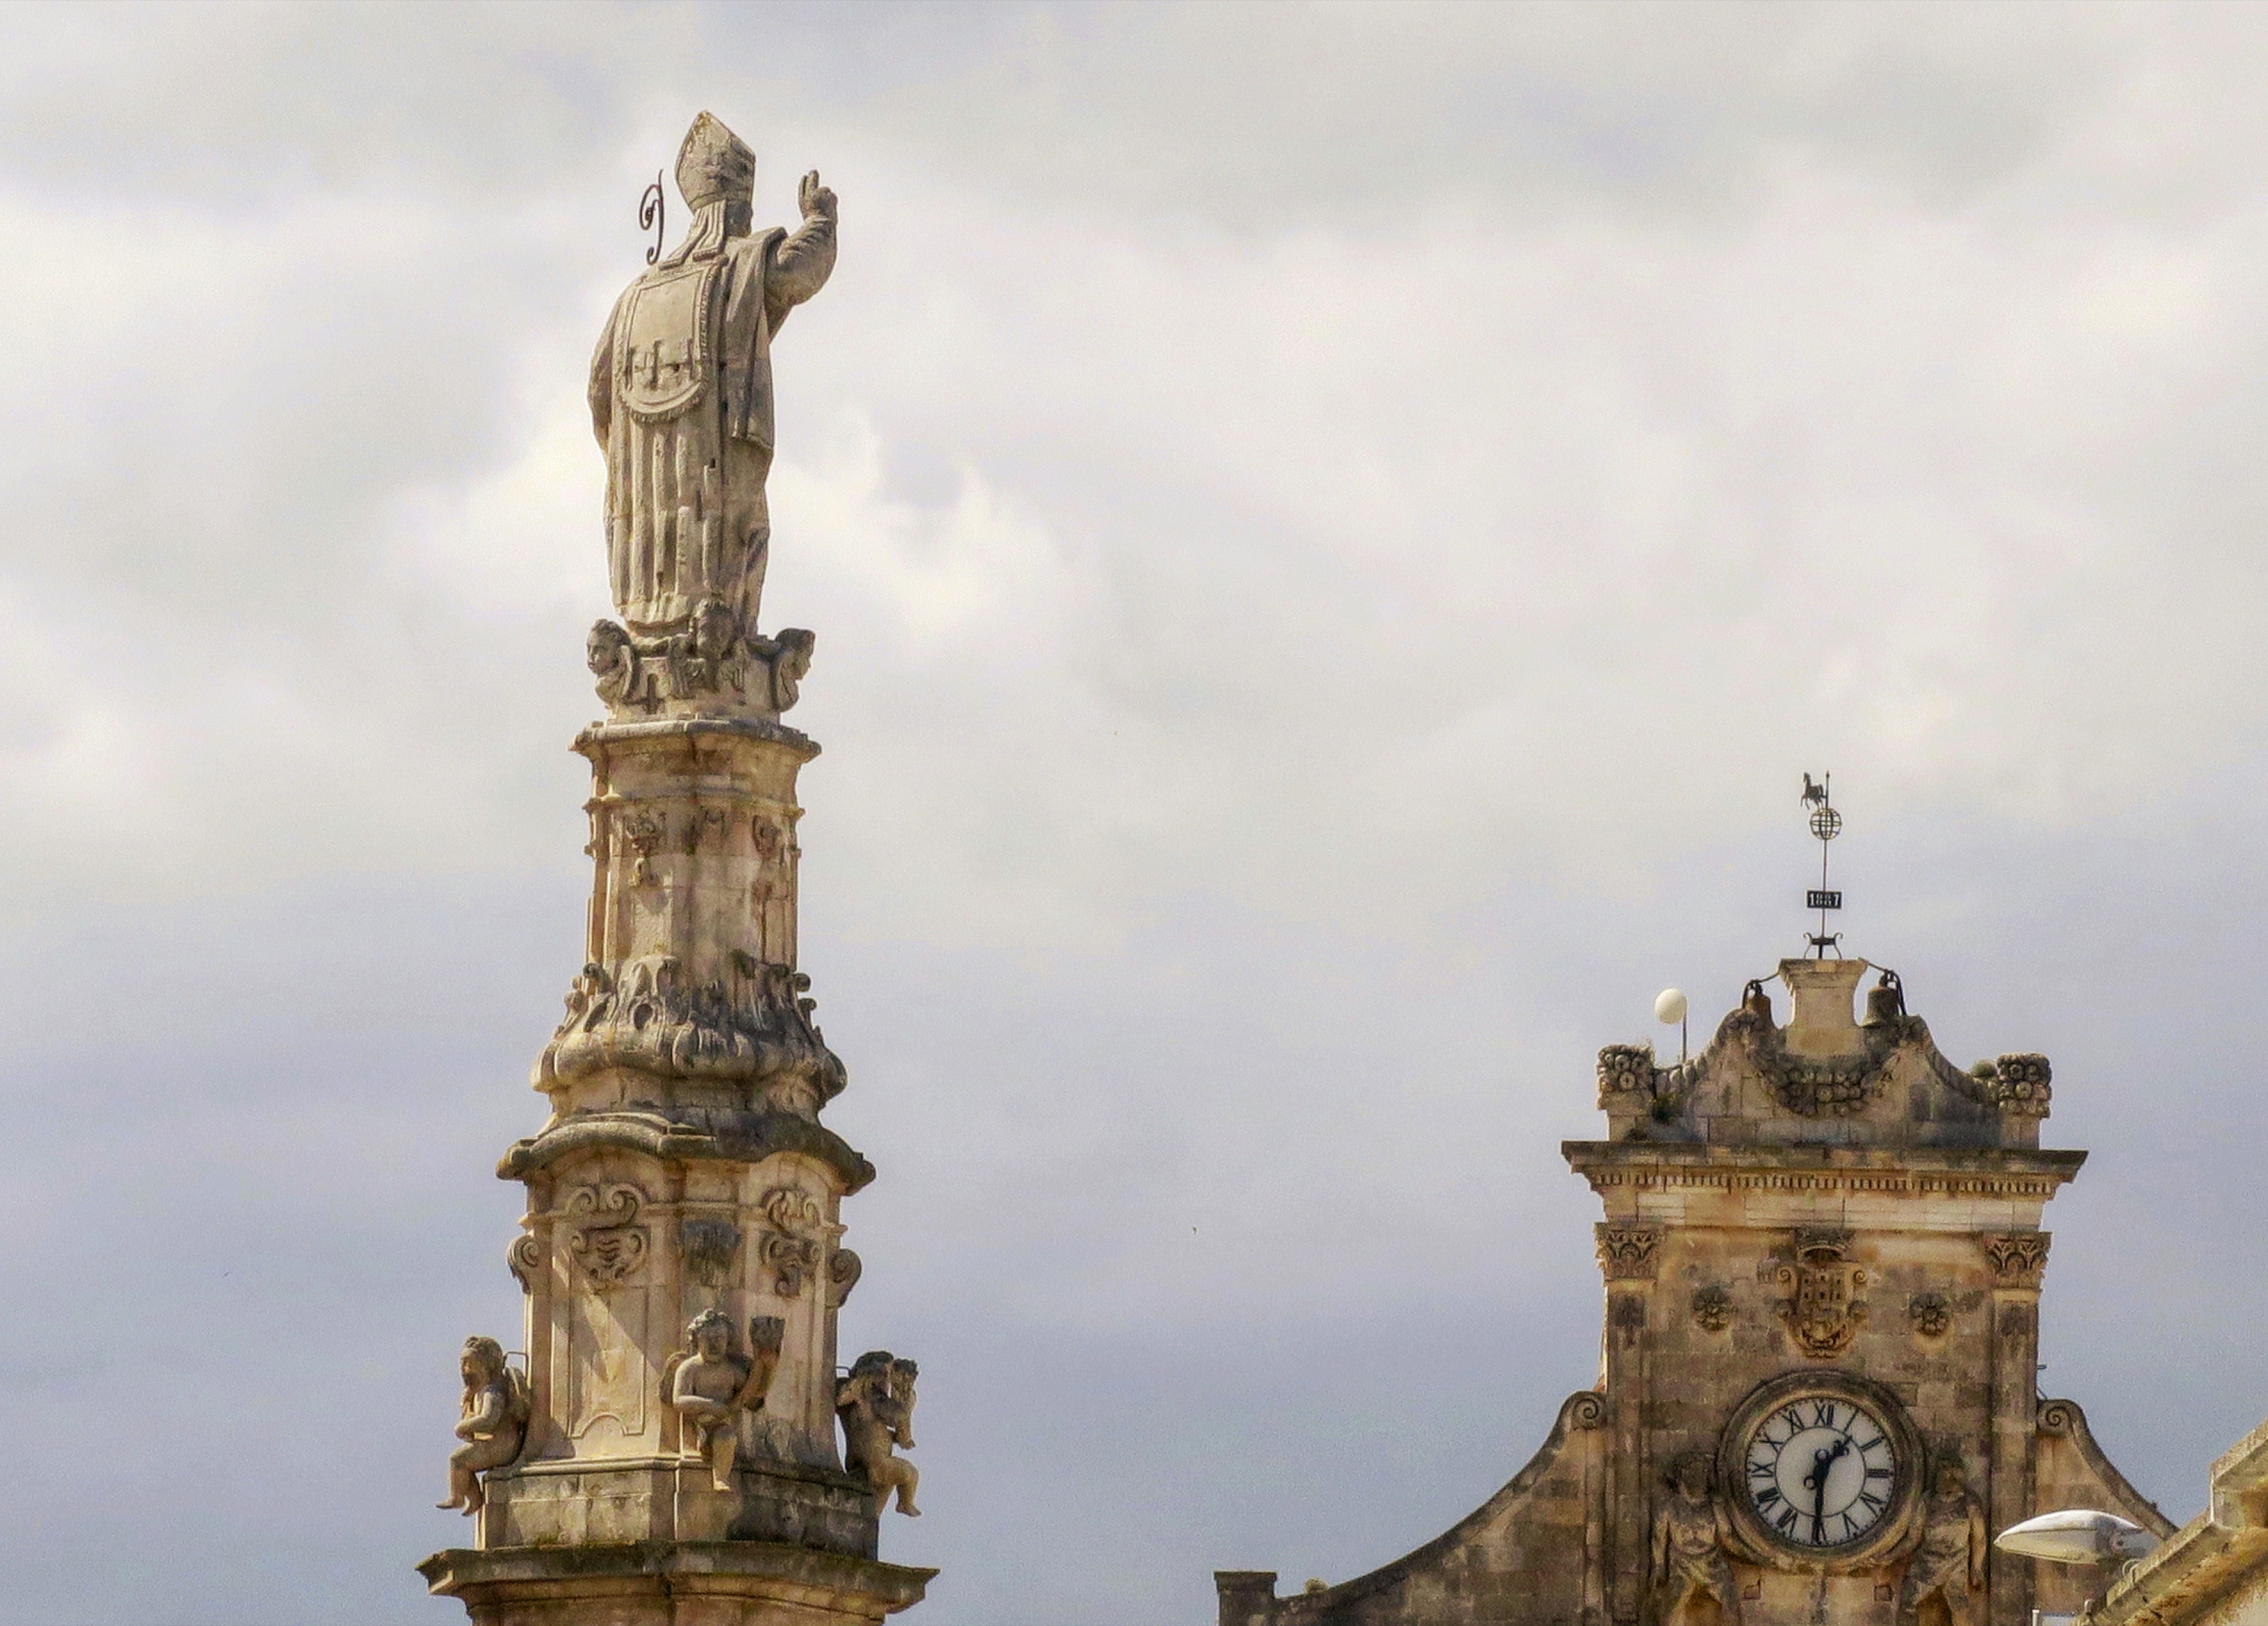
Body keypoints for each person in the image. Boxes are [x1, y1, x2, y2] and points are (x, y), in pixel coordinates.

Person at [438, 1336, 528, 1516]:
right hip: (493, 1443)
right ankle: (475, 1499)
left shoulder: (492, 1391)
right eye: (464, 1365)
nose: (466, 1371)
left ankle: (458, 1499)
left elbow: (489, 1420)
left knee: (458, 1460)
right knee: (464, 1463)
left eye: (471, 1365)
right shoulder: (482, 1391)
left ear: (487, 1366)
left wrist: (463, 1427)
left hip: (502, 1446)